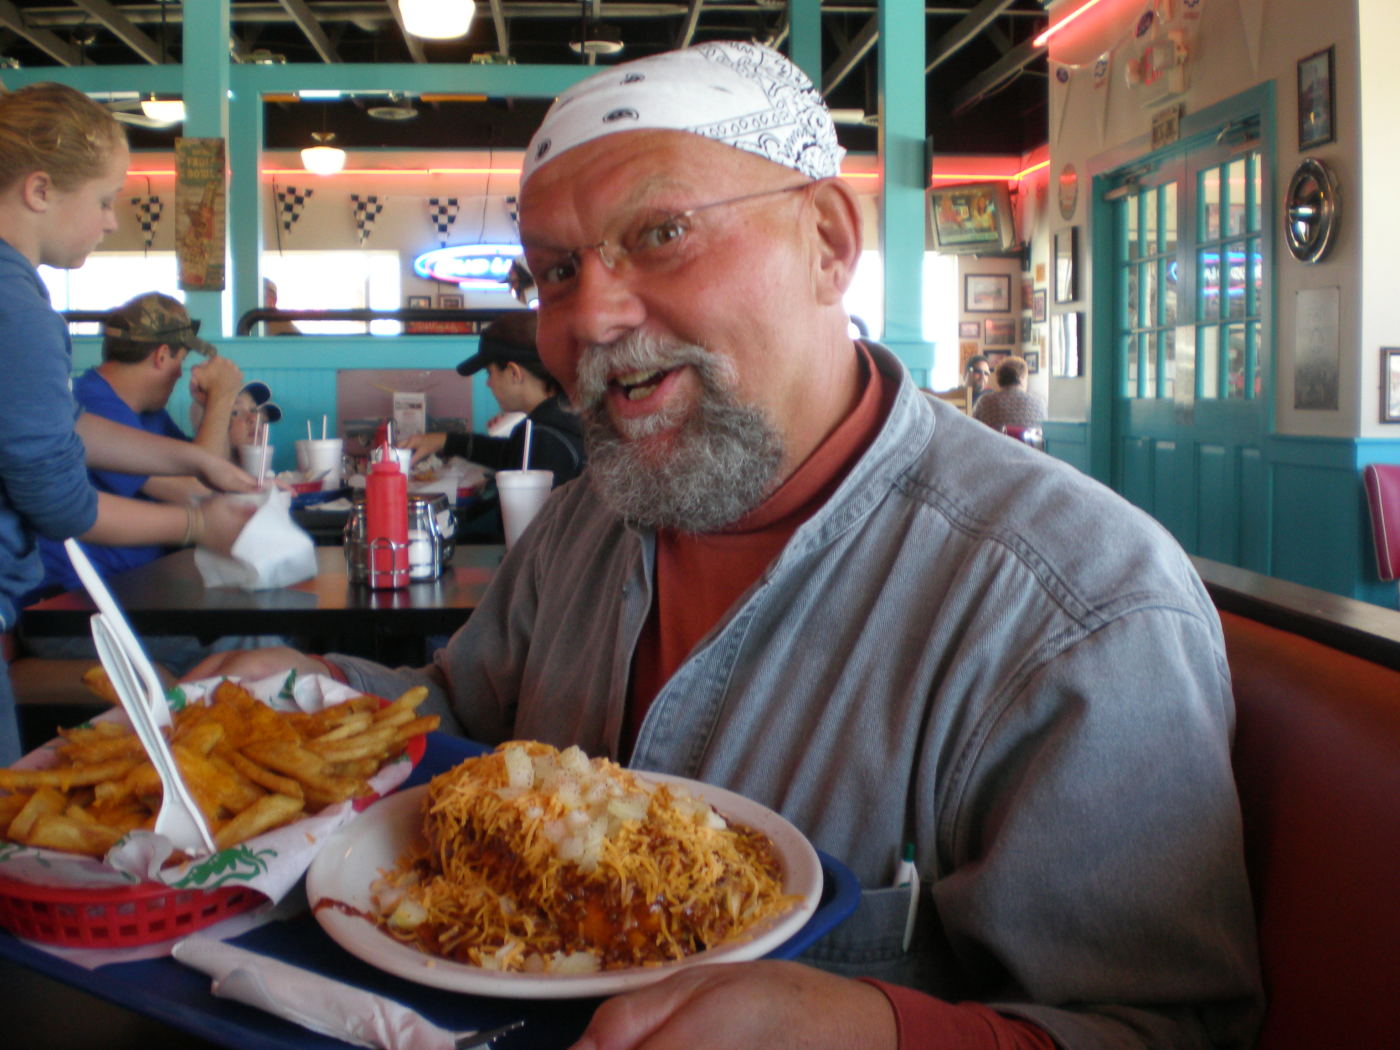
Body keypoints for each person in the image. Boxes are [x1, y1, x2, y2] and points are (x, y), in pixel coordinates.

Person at [192, 43, 1262, 1050]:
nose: (590, 317)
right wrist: (318, 697)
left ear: (827, 243)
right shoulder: (587, 520)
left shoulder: (1073, 605)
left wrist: (876, 1030)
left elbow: (1163, 1029)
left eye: (661, 233)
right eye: (555, 272)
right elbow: (463, 719)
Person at [0, 82, 255, 763]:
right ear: (39, 190)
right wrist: (197, 525)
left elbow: (63, 428)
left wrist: (195, 459)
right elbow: (62, 504)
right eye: (105, 200)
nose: (112, 221)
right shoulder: (17, 308)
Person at [30, 292, 246, 597]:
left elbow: (212, 474)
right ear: (162, 356)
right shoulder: (92, 404)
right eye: (181, 361)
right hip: (85, 597)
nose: (181, 374)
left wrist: (213, 405)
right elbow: (196, 491)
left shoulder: (147, 411)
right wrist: (222, 398)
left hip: (138, 583)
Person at [402, 311, 585, 486]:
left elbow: (532, 507)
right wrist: (445, 441)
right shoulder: (565, 418)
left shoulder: (546, 439)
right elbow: (506, 453)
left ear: (514, 373)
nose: (488, 383)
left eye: (489, 373)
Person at [972, 355, 1046, 431]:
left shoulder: (984, 402)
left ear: (999, 378)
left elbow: (973, 429)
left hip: (995, 439)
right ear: (1022, 377)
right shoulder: (1039, 402)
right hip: (1028, 439)